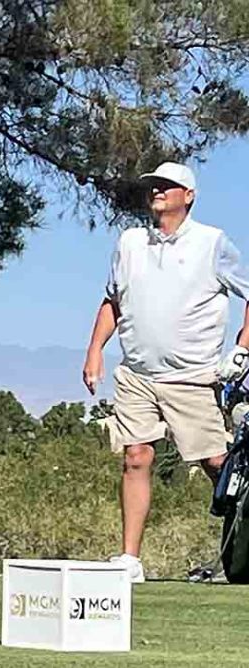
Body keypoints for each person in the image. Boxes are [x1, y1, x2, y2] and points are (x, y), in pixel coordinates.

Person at [83, 162, 249, 583]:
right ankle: (129, 559)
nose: (157, 191)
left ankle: (242, 549)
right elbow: (113, 302)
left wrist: (242, 348)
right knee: (136, 457)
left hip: (192, 375)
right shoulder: (130, 242)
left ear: (188, 196)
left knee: (218, 464)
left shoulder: (212, 243)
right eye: (154, 185)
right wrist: (95, 351)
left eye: (167, 186)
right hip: (137, 373)